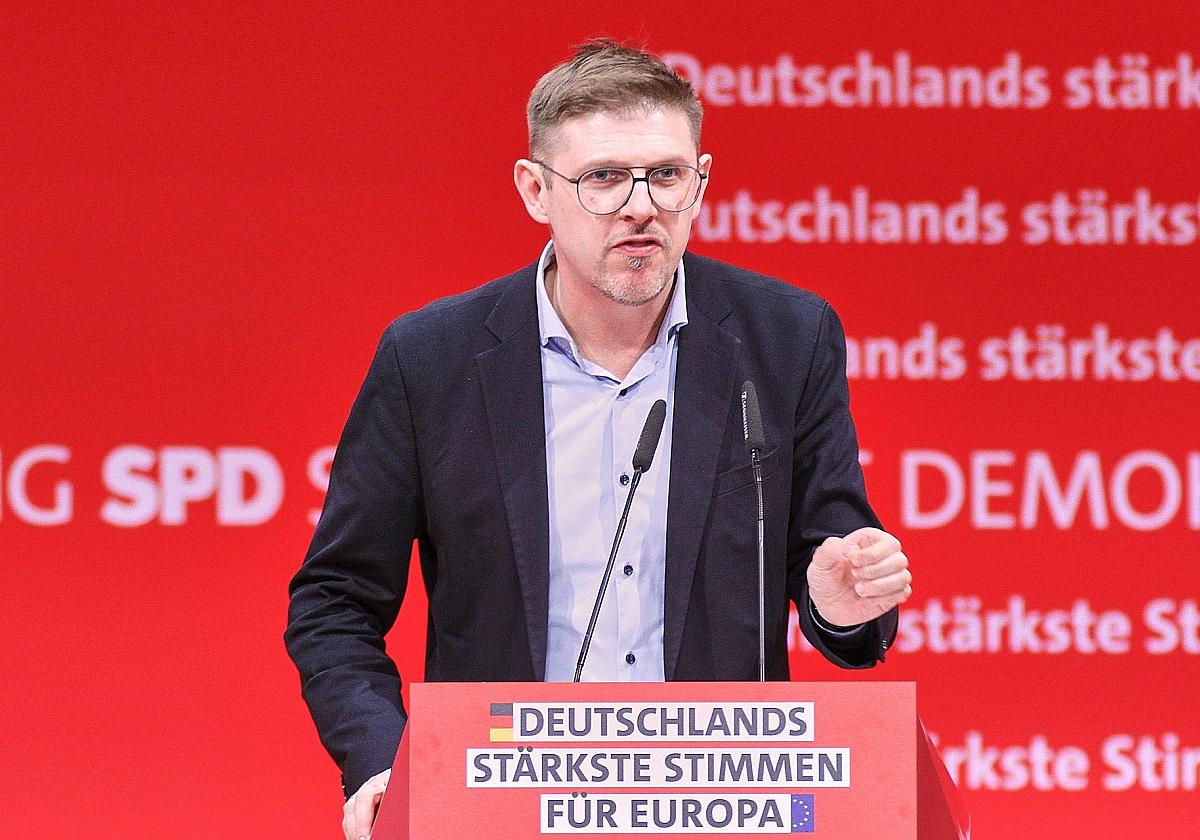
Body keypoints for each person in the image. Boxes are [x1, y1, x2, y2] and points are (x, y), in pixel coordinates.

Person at [285, 39, 912, 840]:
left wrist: (838, 603)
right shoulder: (432, 359)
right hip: (503, 803)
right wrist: (387, 763)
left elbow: (836, 579)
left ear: (701, 181)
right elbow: (335, 600)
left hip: (722, 799)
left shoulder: (784, 338)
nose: (640, 206)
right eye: (604, 178)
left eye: (666, 174)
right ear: (536, 190)